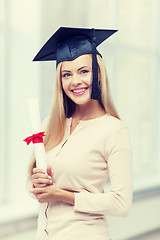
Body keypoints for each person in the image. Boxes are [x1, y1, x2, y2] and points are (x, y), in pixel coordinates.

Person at [28, 27, 132, 240]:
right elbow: (33, 188)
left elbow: (122, 204)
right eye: (67, 74)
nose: (75, 81)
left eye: (84, 71)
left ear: (99, 74)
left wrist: (61, 195)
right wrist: (37, 184)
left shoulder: (112, 130)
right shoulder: (51, 124)